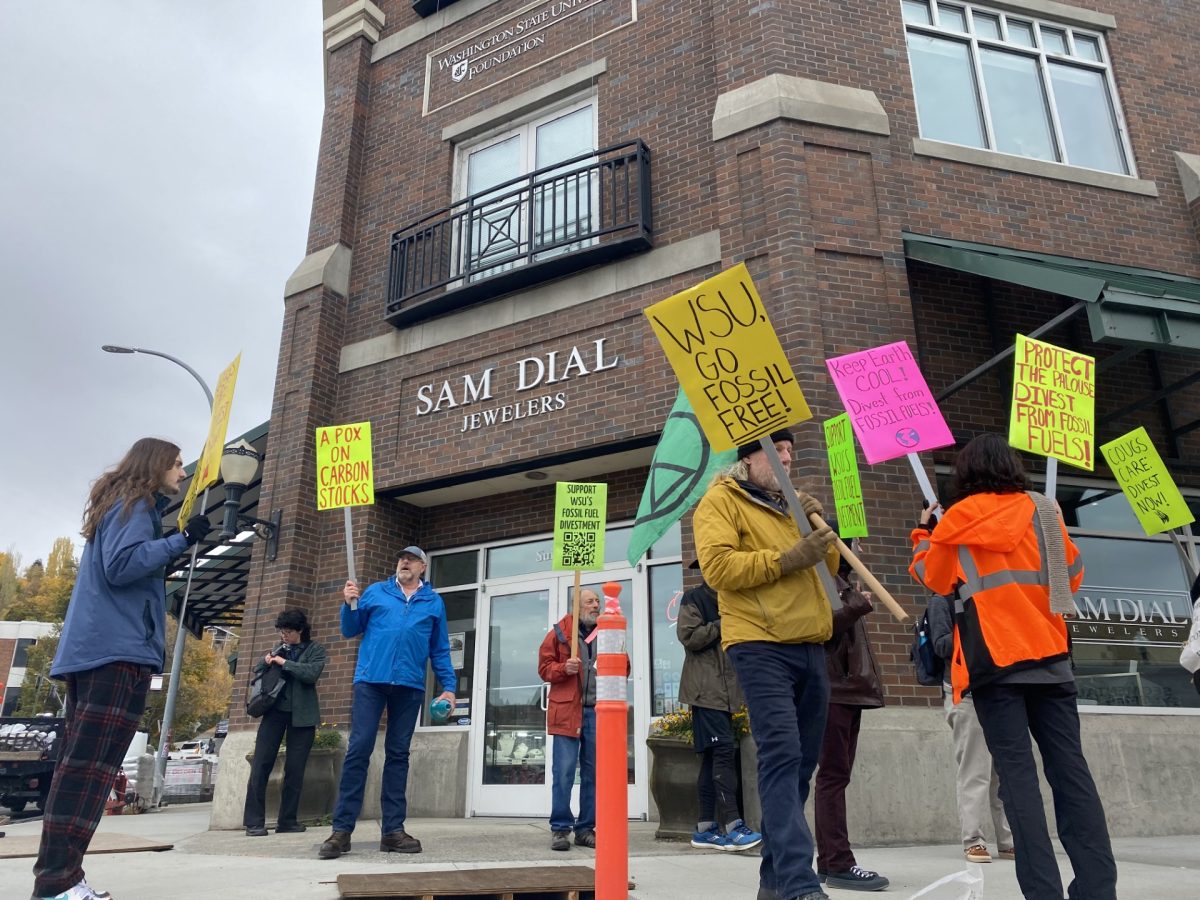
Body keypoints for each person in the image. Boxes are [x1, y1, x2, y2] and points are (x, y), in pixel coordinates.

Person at [909, 433, 1117, 900]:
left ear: (965, 473)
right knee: (1072, 775)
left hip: (995, 666)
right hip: (1052, 659)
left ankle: (1042, 892)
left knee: (1018, 783)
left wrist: (924, 535)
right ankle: (1098, 889)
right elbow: (1074, 572)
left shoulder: (956, 520)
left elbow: (934, 579)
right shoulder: (1045, 510)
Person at [33, 438, 211, 900]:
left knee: (83, 771)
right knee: (88, 773)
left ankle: (62, 881)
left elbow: (124, 568)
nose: (182, 472)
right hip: (114, 653)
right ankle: (56, 885)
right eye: (176, 464)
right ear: (154, 465)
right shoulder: (134, 506)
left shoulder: (125, 505)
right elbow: (122, 566)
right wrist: (183, 539)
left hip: (102, 650)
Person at [693, 427, 839, 900]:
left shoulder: (793, 507)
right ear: (751, 458)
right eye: (777, 452)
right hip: (759, 643)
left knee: (802, 766)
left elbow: (830, 570)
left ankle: (774, 884)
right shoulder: (722, 502)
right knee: (781, 755)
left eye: (791, 453)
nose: (787, 460)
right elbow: (719, 569)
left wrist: (818, 528)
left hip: (810, 644)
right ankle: (800, 882)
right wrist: (790, 555)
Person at [318, 546, 455, 860]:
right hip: (371, 681)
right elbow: (350, 629)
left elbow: (440, 648)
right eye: (400, 558)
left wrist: (448, 686)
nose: (403, 562)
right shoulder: (376, 592)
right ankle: (341, 832)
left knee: (398, 754)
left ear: (423, 566)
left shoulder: (433, 601)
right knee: (359, 748)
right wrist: (348, 602)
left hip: (409, 685)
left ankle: (392, 831)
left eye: (411, 559)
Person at [813, 539, 888, 892]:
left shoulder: (841, 582)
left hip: (846, 691)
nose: (858, 550)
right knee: (832, 776)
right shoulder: (824, 578)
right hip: (834, 692)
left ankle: (831, 861)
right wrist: (857, 604)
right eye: (851, 544)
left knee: (836, 777)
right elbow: (824, 627)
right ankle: (838, 862)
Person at [675, 562, 761, 852]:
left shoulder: (734, 597)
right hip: (705, 691)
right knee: (722, 753)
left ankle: (705, 829)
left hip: (726, 694)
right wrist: (724, 622)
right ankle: (734, 827)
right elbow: (689, 637)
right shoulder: (694, 599)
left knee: (713, 758)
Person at [926, 590, 1014, 864]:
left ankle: (1008, 841)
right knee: (975, 771)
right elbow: (941, 645)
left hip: (996, 691)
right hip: (964, 693)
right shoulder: (941, 600)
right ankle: (973, 840)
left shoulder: (986, 594)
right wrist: (979, 629)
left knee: (1004, 774)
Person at [243, 607, 328, 836]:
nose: (284, 635)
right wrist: (267, 660)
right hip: (274, 712)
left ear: (300, 630)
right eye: (282, 631)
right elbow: (258, 672)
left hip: (303, 716)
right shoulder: (278, 647)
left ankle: (287, 821)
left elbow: (311, 674)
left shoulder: (315, 650)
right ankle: (254, 822)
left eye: (288, 631)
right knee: (261, 764)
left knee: (295, 769)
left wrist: (284, 663)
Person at [538, 587, 601, 851]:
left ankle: (586, 829)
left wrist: (616, 661)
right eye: (590, 601)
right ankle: (560, 829)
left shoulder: (607, 633)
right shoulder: (558, 633)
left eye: (598, 601)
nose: (596, 605)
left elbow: (625, 665)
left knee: (593, 773)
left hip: (597, 711)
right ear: (577, 606)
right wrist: (564, 668)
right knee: (563, 773)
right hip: (566, 711)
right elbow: (543, 669)